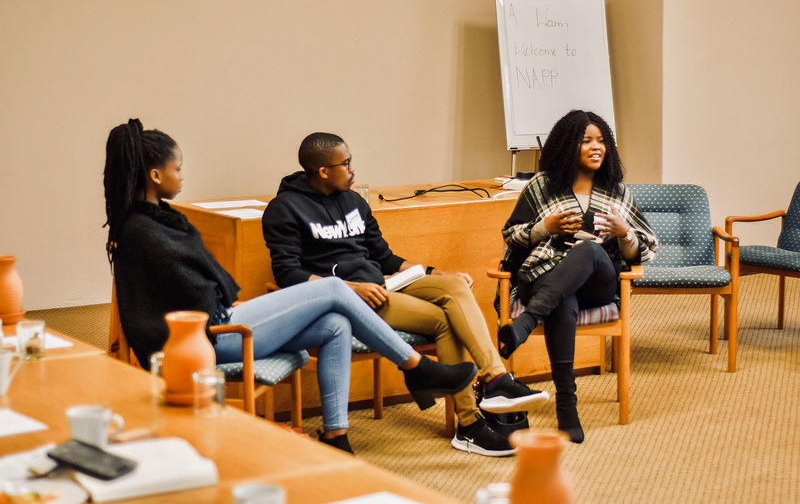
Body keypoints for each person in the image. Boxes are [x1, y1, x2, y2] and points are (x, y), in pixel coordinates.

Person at [102, 119, 477, 455]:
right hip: (202, 343)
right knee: (333, 291)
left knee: (335, 325)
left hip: (212, 326)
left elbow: (200, 289)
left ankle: (336, 436)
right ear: (154, 175)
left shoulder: (153, 220)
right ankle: (416, 366)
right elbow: (196, 298)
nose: (182, 176)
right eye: (177, 169)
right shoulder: (144, 231)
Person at [262, 132, 550, 457]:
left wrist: (430, 272)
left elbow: (384, 256)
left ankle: (496, 381)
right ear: (323, 171)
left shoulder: (353, 201)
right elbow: (288, 275)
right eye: (345, 164)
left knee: (454, 285)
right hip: (348, 300)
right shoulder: (284, 209)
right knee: (446, 320)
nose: (352, 168)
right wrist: (350, 288)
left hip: (381, 284)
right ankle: (469, 423)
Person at [497, 110, 658, 443]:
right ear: (568, 145)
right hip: (547, 278)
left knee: (587, 252)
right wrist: (546, 228)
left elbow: (647, 248)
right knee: (562, 298)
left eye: (601, 141)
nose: (596, 147)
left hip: (597, 283)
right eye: (587, 141)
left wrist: (624, 233)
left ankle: (525, 323)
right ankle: (567, 406)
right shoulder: (541, 187)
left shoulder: (617, 192)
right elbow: (511, 237)